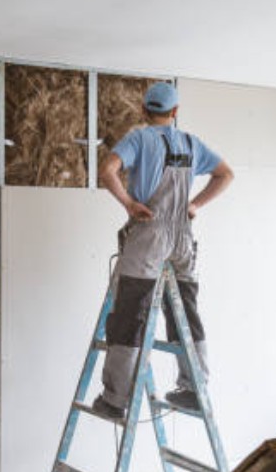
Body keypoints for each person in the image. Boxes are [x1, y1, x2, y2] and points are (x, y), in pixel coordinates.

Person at [94, 82, 234, 417]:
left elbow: (107, 171)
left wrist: (129, 204)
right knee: (186, 311)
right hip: (183, 237)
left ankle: (115, 400)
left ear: (144, 110)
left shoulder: (139, 139)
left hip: (150, 233)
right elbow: (225, 174)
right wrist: (194, 205)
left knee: (130, 314)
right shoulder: (191, 143)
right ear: (175, 112)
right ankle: (195, 389)